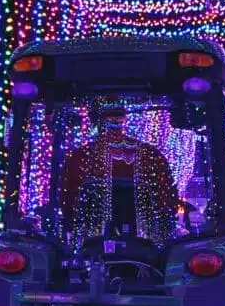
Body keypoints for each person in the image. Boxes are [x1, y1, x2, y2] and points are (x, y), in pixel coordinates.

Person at [59, 103, 179, 242]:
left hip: (93, 242)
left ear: (95, 122)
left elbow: (68, 204)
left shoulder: (80, 157)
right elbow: (167, 202)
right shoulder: (150, 155)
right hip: (146, 241)